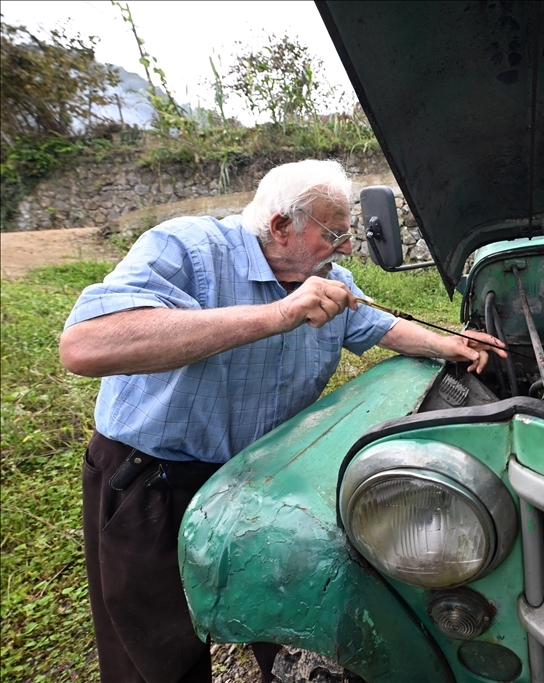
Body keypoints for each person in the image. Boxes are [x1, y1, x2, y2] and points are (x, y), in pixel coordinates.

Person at [59, 159, 505, 683]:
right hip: (153, 479)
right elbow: (85, 345)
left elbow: (378, 324)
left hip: (261, 479)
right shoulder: (189, 248)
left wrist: (450, 343)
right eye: (334, 234)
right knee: (156, 644)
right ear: (280, 226)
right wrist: (279, 315)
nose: (345, 249)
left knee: (285, 621)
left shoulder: (329, 279)